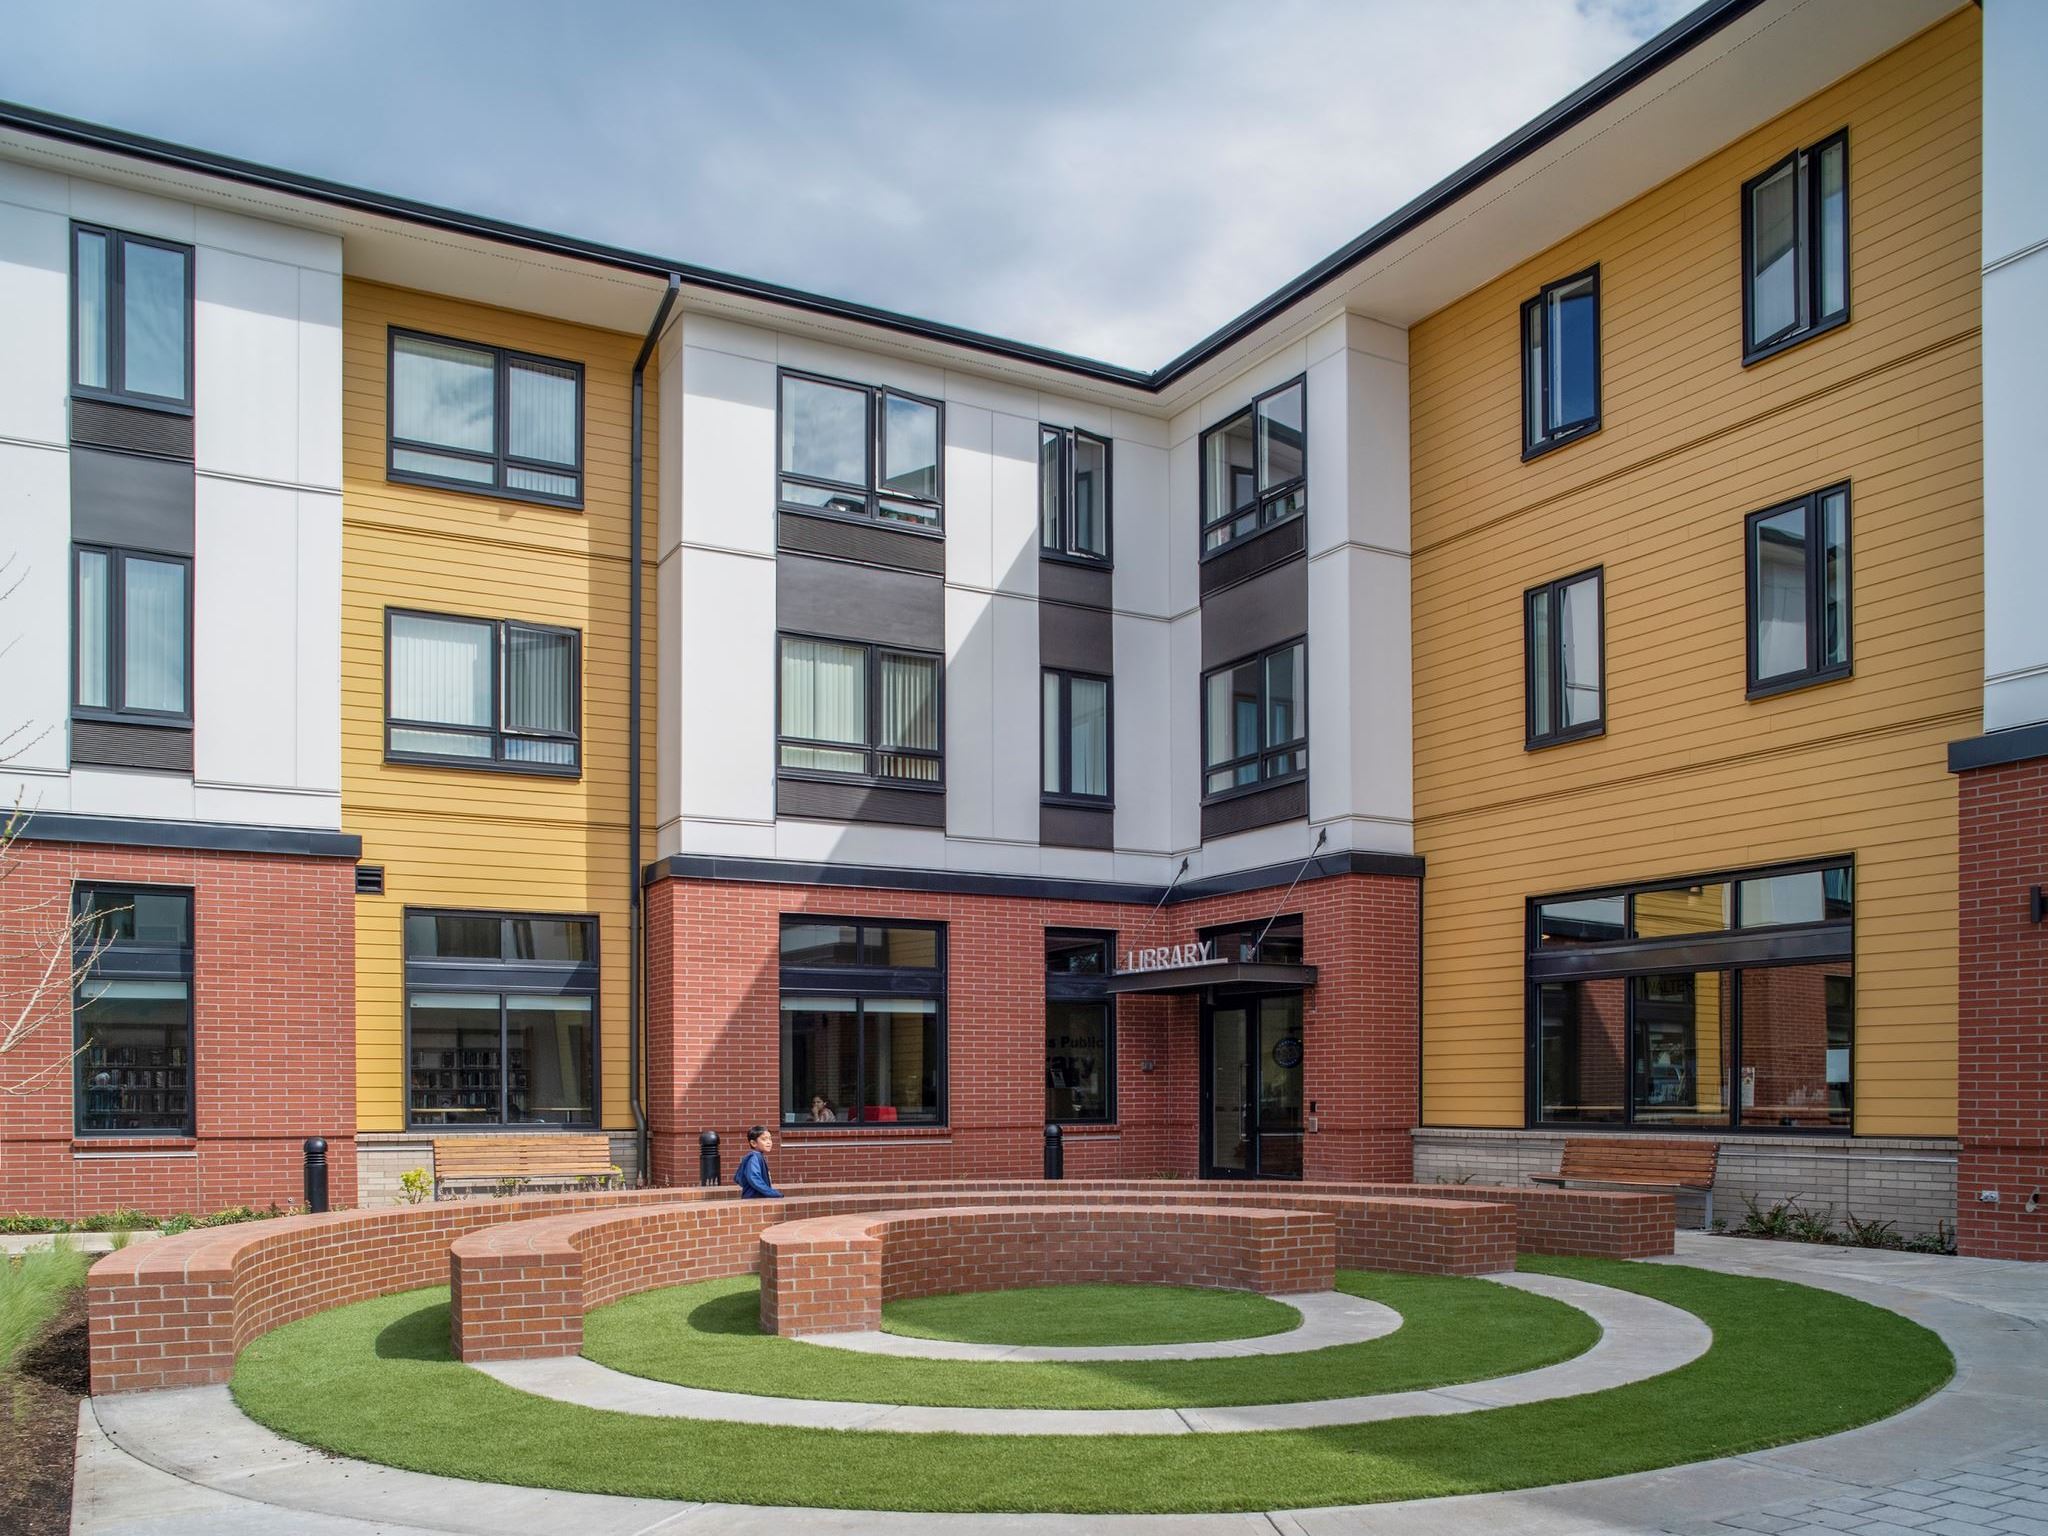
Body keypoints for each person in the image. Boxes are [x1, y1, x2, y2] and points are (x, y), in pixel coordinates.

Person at [734, 1124, 783, 1199]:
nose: (769, 1142)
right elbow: (754, 1178)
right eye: (764, 1139)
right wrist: (772, 1193)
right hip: (752, 1200)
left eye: (770, 1139)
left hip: (757, 1199)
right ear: (753, 1143)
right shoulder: (754, 1158)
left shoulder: (758, 1156)